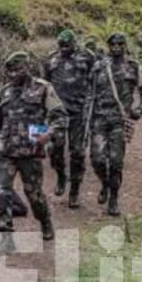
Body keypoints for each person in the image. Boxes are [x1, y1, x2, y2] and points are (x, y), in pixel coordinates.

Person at [0, 51, 67, 255]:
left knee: (34, 195)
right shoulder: (5, 91)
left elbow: (59, 117)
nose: (13, 74)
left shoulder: (43, 88)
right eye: (10, 70)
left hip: (30, 151)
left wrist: (47, 134)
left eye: (17, 69)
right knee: (2, 192)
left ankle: (45, 221)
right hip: (6, 151)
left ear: (26, 68)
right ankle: (5, 237)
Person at [86, 33, 142, 216]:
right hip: (99, 119)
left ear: (125, 45)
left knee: (116, 162)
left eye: (120, 44)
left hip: (119, 121)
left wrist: (140, 110)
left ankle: (114, 198)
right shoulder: (99, 66)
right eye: (113, 44)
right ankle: (105, 185)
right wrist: (86, 118)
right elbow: (89, 93)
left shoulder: (133, 67)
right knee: (97, 159)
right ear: (108, 46)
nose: (116, 47)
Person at [42, 29, 94, 207]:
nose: (64, 48)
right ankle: (61, 176)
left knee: (77, 152)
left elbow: (95, 80)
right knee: (54, 149)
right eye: (61, 45)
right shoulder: (51, 59)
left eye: (67, 45)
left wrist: (91, 105)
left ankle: (75, 190)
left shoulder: (87, 57)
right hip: (57, 113)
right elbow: (45, 84)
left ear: (74, 43)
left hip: (78, 112)